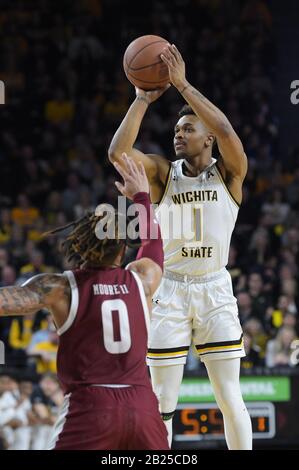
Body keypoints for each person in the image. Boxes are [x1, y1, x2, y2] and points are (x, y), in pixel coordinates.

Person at [109, 44, 252, 449]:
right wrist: (140, 99)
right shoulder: (159, 174)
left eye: (187, 129)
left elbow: (226, 131)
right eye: (176, 129)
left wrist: (182, 85)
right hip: (169, 289)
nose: (178, 133)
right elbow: (118, 153)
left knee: (229, 397)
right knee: (162, 402)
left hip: (214, 288)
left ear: (207, 138)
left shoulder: (229, 173)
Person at [0, 155, 169, 451]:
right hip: (143, 407)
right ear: (122, 250)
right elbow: (153, 242)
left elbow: (8, 301)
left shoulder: (61, 287)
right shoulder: (142, 279)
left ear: (79, 244)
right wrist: (142, 197)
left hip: (92, 407)